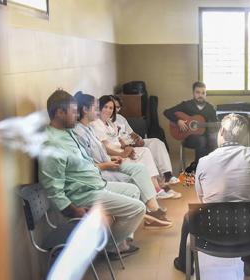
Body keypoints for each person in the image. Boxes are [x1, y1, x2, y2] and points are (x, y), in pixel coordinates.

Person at [173, 114, 250, 276]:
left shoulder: (204, 162)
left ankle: (185, 263)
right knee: (248, 211)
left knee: (189, 216)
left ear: (222, 133)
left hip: (212, 235)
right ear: (244, 136)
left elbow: (202, 198)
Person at [38, 89, 145, 257]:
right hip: (83, 194)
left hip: (95, 184)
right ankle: (109, 247)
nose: (77, 115)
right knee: (138, 209)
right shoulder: (52, 145)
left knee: (134, 190)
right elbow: (52, 187)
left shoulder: (68, 132)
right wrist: (72, 210)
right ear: (59, 112)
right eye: (73, 112)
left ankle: (118, 242)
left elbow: (85, 162)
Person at [72, 91, 171, 230]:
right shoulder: (80, 131)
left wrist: (115, 156)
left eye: (111, 108)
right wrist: (112, 159)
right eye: (97, 107)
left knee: (141, 167)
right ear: (85, 110)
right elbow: (90, 160)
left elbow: (101, 150)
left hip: (109, 161)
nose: (100, 110)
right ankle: (149, 213)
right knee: (133, 183)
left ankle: (153, 207)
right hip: (101, 170)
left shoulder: (89, 128)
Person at [91, 95, 181, 199]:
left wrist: (127, 147)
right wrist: (123, 153)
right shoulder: (96, 124)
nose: (108, 110)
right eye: (105, 107)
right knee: (144, 154)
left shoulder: (110, 123)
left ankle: (159, 185)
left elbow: (120, 139)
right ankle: (158, 188)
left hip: (123, 148)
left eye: (111, 108)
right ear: (99, 108)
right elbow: (105, 145)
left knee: (146, 150)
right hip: (114, 154)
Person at [111, 95, 180, 185]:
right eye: (113, 106)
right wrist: (129, 145)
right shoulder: (106, 121)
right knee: (147, 151)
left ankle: (167, 175)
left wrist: (138, 138)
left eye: (118, 107)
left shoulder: (121, 118)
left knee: (156, 142)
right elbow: (115, 141)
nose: (115, 109)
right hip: (125, 146)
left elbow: (132, 133)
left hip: (132, 141)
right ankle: (157, 183)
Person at [163, 81, 217, 170]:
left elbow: (215, 125)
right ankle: (198, 169)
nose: (200, 95)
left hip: (207, 138)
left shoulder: (210, 108)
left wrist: (219, 127)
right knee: (201, 140)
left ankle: (205, 167)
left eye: (203, 93)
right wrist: (178, 121)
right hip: (189, 138)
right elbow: (167, 112)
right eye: (198, 92)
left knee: (213, 139)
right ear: (193, 93)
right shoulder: (186, 105)